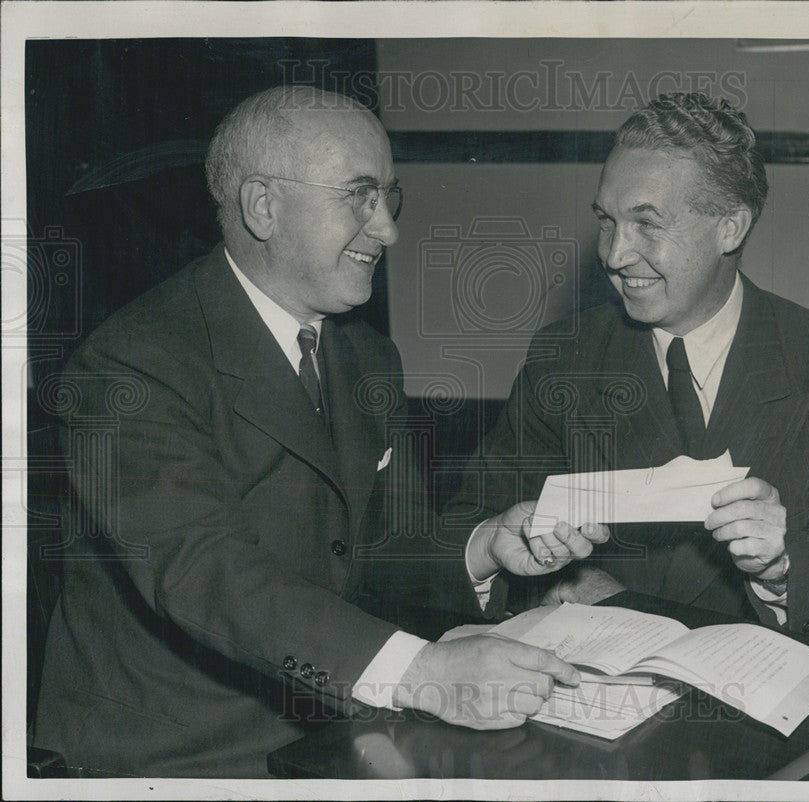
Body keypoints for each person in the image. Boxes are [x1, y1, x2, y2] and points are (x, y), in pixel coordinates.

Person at [30, 86, 608, 778]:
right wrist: (423, 671)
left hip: (338, 725)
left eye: (389, 197)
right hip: (181, 757)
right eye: (358, 196)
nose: (388, 229)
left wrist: (484, 548)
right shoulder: (129, 363)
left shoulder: (366, 357)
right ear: (263, 207)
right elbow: (206, 575)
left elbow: (381, 553)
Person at [451, 92, 809, 634]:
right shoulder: (563, 358)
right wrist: (529, 565)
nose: (614, 255)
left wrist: (782, 567)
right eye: (607, 221)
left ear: (730, 228)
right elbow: (470, 526)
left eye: (647, 224)